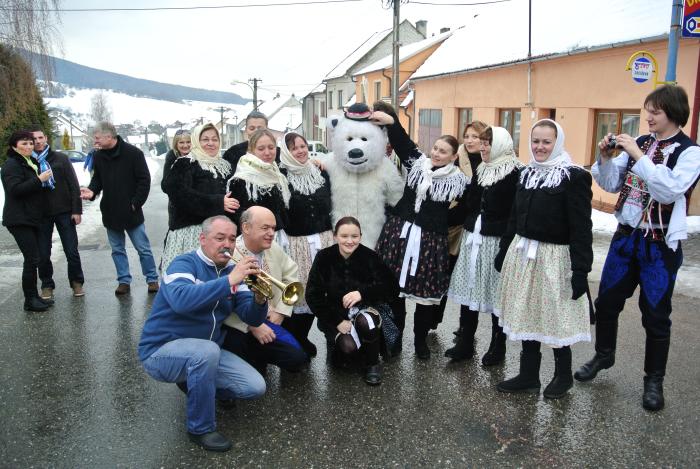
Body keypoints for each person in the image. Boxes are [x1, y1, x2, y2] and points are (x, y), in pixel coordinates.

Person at [575, 85, 700, 411]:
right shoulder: (641, 143)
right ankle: (604, 355)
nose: (649, 117)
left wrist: (639, 156)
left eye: (655, 112)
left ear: (673, 113)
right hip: (626, 238)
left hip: (659, 246)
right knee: (606, 302)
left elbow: (669, 190)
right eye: (648, 111)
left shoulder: (690, 152)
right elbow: (610, 183)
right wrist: (605, 158)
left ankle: (654, 380)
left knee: (656, 314)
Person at [138, 216, 267, 452]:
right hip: (161, 350)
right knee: (206, 352)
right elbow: (181, 301)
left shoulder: (233, 272)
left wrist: (259, 299)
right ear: (203, 239)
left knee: (254, 386)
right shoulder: (183, 264)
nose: (227, 244)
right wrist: (229, 281)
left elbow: (251, 318)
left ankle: (197, 384)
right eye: (220, 238)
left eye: (231, 239)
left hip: (205, 353)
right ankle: (200, 428)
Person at [494, 119, 592, 399]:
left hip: (554, 259)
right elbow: (514, 217)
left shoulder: (573, 177)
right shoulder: (527, 173)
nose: (540, 147)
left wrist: (581, 270)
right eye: (535, 141)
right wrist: (504, 249)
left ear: (557, 143)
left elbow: (581, 228)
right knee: (527, 312)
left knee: (555, 316)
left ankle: (563, 376)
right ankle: (528, 375)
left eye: (546, 142)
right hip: (523, 254)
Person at [372, 111, 469, 359]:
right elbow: (402, 142)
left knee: (425, 298)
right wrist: (392, 121)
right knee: (394, 292)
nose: (436, 153)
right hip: (399, 236)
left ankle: (420, 342)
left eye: (443, 151)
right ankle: (394, 339)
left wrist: (442, 221)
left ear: (454, 157)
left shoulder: (459, 181)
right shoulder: (417, 164)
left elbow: (467, 208)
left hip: (431, 242)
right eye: (435, 148)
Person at [446, 126, 521, 363]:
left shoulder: (515, 172)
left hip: (496, 241)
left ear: (500, 145)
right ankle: (465, 343)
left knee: (495, 293)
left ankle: (498, 347)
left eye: (488, 143)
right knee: (470, 290)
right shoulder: (481, 169)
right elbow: (470, 203)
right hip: (473, 238)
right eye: (483, 143)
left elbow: (516, 213)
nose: (483, 147)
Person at [306, 217, 400, 385]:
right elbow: (313, 296)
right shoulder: (323, 257)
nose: (350, 241)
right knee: (348, 348)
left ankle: (373, 363)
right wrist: (337, 321)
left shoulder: (370, 256)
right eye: (344, 236)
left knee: (366, 322)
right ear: (335, 236)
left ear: (360, 236)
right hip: (335, 314)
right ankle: (342, 347)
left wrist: (362, 293)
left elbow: (392, 287)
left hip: (366, 309)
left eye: (354, 236)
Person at [221, 206, 307, 373]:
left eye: (273, 228)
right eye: (265, 228)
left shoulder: (272, 247)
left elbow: (291, 275)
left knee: (297, 358)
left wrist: (281, 311)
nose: (271, 233)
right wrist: (254, 325)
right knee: (247, 364)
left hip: (270, 315)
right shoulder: (229, 254)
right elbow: (225, 300)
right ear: (246, 228)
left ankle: (259, 358)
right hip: (239, 324)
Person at [80, 121, 159, 295]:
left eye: (97, 138)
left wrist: (135, 203)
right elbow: (97, 180)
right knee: (117, 250)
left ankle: (152, 279)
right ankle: (123, 281)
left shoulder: (134, 154)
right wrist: (92, 191)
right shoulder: (98, 156)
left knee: (143, 249)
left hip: (132, 212)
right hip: (110, 211)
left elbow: (144, 180)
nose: (95, 141)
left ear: (109, 136)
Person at [277, 131, 334, 357]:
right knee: (299, 294)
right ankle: (296, 339)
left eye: (303, 146)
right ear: (286, 152)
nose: (300, 151)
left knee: (320, 292)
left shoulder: (320, 172)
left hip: (325, 240)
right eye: (294, 148)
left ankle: (327, 339)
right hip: (297, 243)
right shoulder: (280, 176)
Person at [161, 123, 238, 271]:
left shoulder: (225, 166)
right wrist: (218, 203)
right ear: (196, 141)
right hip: (191, 233)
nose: (210, 143)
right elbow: (179, 195)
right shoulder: (185, 163)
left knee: (219, 278)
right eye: (205, 139)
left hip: (221, 234)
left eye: (215, 139)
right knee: (190, 276)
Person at [29, 126, 85, 299]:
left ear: (46, 138)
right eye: (34, 139)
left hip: (64, 211)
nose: (38, 142)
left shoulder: (60, 158)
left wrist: (77, 210)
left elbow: (73, 184)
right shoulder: (28, 162)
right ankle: (47, 285)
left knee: (71, 251)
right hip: (41, 214)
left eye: (40, 138)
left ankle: (76, 282)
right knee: (43, 254)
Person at [1, 130, 54, 312]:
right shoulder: (12, 165)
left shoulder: (29, 161)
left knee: (34, 258)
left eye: (30, 143)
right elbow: (15, 190)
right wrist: (39, 180)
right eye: (24, 143)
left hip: (31, 217)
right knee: (31, 259)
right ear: (14, 146)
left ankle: (34, 297)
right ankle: (29, 300)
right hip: (19, 219)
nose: (29, 146)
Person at [449, 121, 488, 337]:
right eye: (467, 136)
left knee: (472, 279)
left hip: (478, 228)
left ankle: (467, 329)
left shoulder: (489, 162)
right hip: (454, 225)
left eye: (475, 136)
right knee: (454, 276)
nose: (470, 141)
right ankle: (460, 326)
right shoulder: (457, 158)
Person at [226, 129, 290, 244]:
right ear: (251, 150)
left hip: (277, 236)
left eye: (271, 147)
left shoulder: (277, 174)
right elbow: (236, 215)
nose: (267, 152)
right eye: (261, 149)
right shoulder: (241, 179)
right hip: (254, 240)